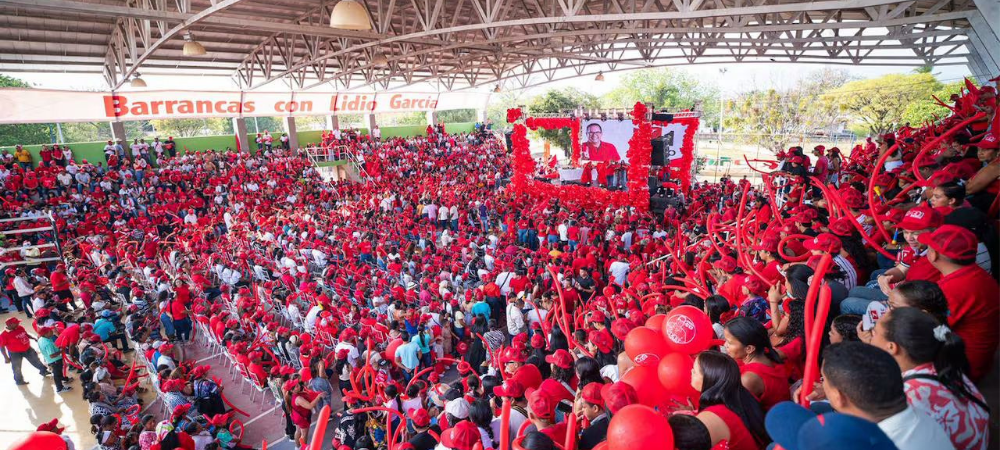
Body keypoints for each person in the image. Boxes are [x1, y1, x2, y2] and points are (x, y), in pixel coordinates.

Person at [869, 307, 989, 450]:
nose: (870, 336)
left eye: (874, 332)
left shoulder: (906, 397)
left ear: (891, 347)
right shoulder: (947, 368)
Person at [820, 342, 955, 450]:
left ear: (839, 397)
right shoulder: (919, 414)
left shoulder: (874, 444)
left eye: (823, 380)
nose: (822, 384)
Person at [917, 224, 999, 381]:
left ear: (934, 255)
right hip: (978, 358)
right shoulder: (973, 273)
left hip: (962, 369)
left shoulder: (954, 288)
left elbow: (928, 331)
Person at [690, 351, 769, 450]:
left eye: (695, 371)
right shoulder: (741, 395)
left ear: (709, 379)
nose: (691, 371)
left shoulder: (717, 414)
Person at [722, 318, 789, 411]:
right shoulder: (767, 354)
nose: (725, 345)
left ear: (749, 349)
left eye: (729, 342)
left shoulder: (749, 378)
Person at [0, 317, 50, 385]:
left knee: (36, 360)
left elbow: (25, 334)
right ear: (10, 325)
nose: (18, 323)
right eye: (16, 323)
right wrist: (6, 357)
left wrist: (33, 338)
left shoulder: (19, 327)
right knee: (17, 367)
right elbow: (2, 346)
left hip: (27, 349)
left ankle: (43, 371)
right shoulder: (3, 335)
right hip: (15, 353)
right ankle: (19, 381)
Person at [37, 326, 73, 393]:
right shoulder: (48, 343)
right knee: (57, 374)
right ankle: (60, 388)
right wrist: (61, 351)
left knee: (59, 372)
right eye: (50, 331)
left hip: (50, 360)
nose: (52, 332)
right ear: (46, 334)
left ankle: (64, 379)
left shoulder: (41, 339)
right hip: (55, 361)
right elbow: (52, 355)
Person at [575, 383, 609, 450]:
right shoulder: (615, 419)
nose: (582, 410)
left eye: (584, 407)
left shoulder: (588, 434)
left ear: (595, 408)